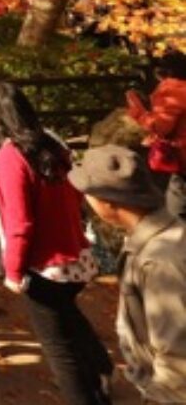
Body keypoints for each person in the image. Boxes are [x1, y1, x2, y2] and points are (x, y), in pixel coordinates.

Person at [0, 81, 113, 405]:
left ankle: (85, 394)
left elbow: (20, 224)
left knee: (58, 349)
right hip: (74, 255)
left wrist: (12, 272)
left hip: (44, 266)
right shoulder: (52, 142)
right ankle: (101, 369)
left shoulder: (10, 157)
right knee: (68, 318)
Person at [70, 145, 186, 403]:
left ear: (107, 202)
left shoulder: (159, 262)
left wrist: (159, 397)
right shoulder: (154, 236)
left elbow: (177, 359)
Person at [127, 51, 186, 223]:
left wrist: (138, 113)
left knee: (176, 212)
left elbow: (161, 127)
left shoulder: (172, 90)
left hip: (181, 160)